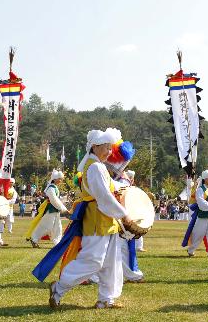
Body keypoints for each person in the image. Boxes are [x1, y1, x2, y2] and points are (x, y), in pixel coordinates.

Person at [40, 129, 146, 309]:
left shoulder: (97, 166)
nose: (109, 152)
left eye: (110, 148)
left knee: (111, 263)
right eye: (106, 148)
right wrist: (124, 214)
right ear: (95, 147)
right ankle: (59, 287)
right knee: (93, 260)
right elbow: (104, 196)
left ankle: (106, 299)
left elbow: (113, 187)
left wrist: (127, 188)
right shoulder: (95, 167)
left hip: (106, 219)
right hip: (97, 219)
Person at [184, 169, 208, 258]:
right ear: (205, 178)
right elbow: (200, 202)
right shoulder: (200, 190)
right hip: (202, 215)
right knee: (198, 235)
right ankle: (191, 250)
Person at [27, 170, 68, 248]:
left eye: (60, 179)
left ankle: (57, 242)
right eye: (59, 179)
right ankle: (34, 238)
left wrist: (62, 208)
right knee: (46, 226)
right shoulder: (51, 188)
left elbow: (56, 200)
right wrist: (63, 209)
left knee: (58, 227)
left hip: (55, 209)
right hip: (51, 209)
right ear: (55, 179)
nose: (60, 180)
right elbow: (54, 200)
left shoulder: (54, 187)